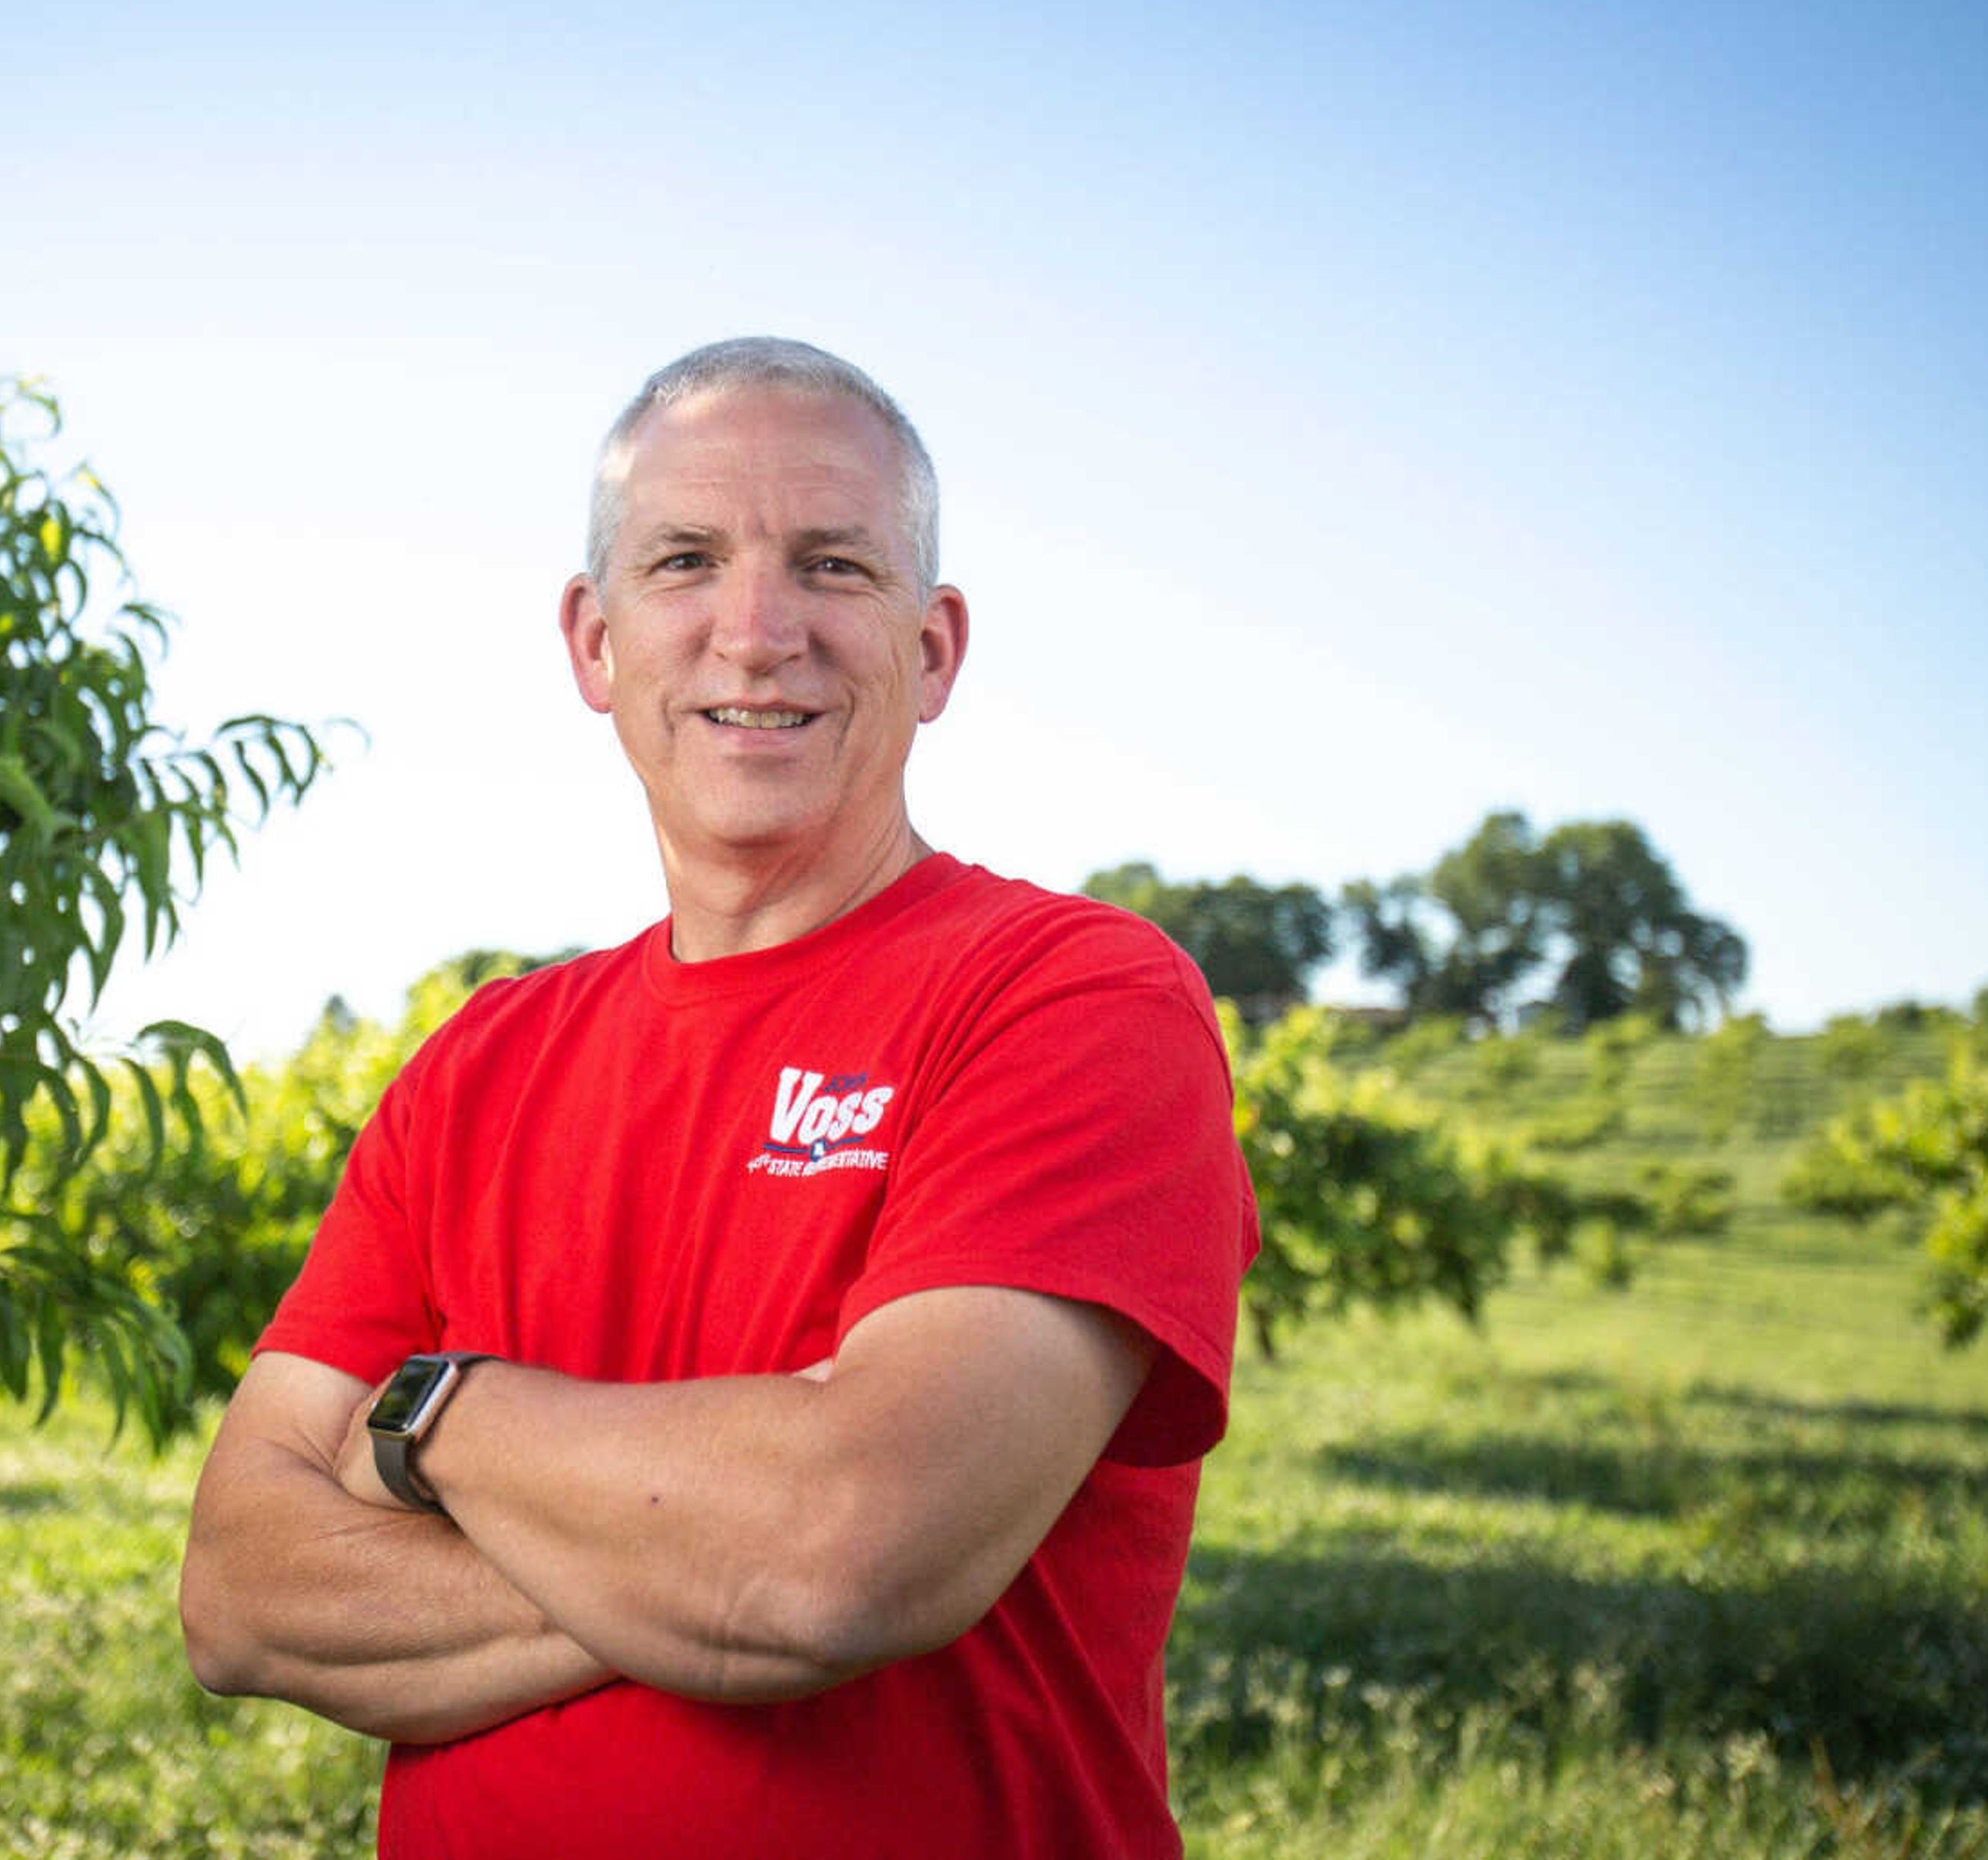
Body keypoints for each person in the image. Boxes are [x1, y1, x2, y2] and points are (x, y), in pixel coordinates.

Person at [181, 337, 1262, 1859]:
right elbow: (241, 1590)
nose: (758, 632)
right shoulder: (476, 1067)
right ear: (594, 641)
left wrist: (435, 1418)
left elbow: (841, 1555)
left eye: (831, 565)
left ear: (936, 647)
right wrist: (705, 1573)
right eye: (686, 560)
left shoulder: (1074, 998)